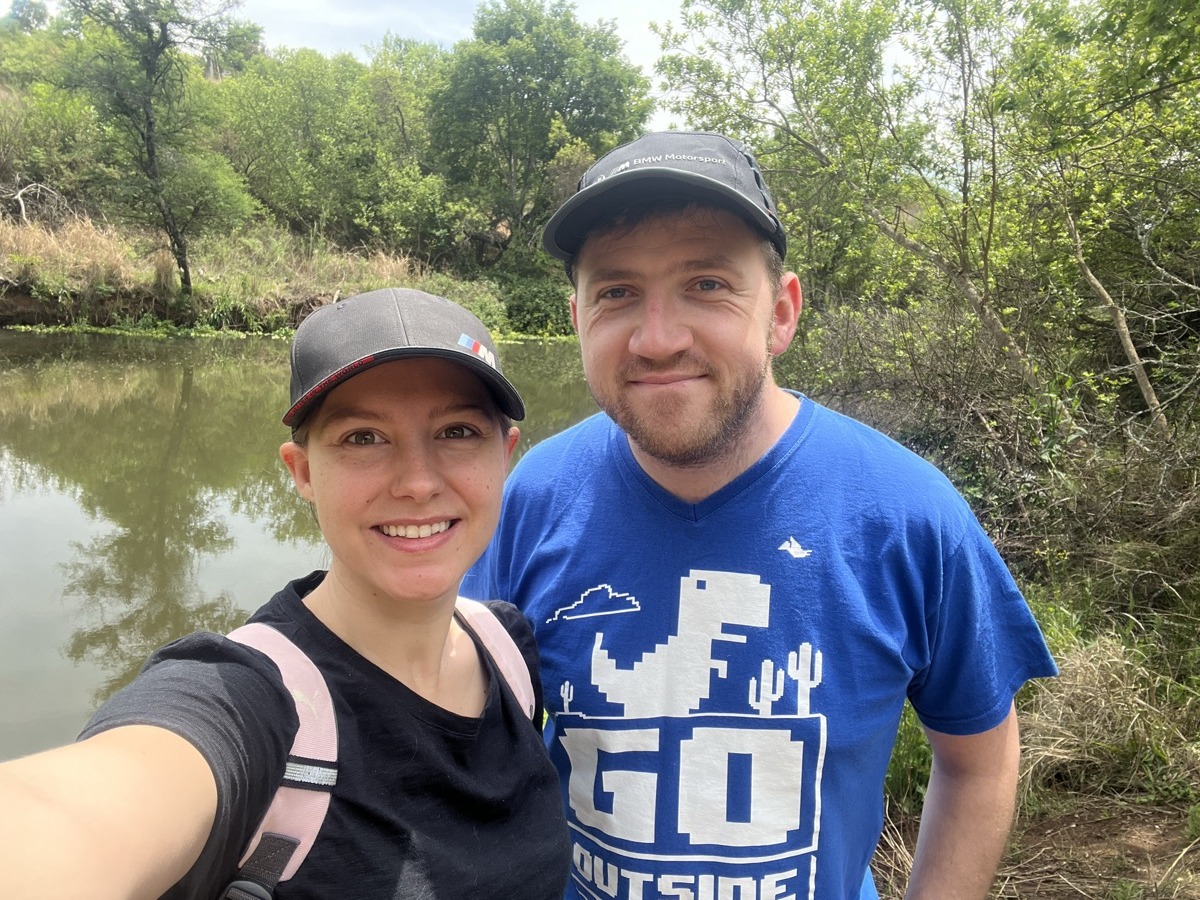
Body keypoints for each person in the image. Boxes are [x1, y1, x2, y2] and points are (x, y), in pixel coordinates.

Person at [461, 132, 1059, 900]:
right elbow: (461, 744)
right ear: (576, 317)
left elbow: (979, 759)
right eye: (616, 293)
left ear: (781, 313)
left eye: (706, 284)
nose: (657, 338)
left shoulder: (907, 513)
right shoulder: (527, 497)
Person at [0, 287, 571, 899]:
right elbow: (77, 812)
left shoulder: (507, 650)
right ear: (301, 471)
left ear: (506, 456)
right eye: (363, 437)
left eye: (457, 430)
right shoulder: (250, 697)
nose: (417, 482)